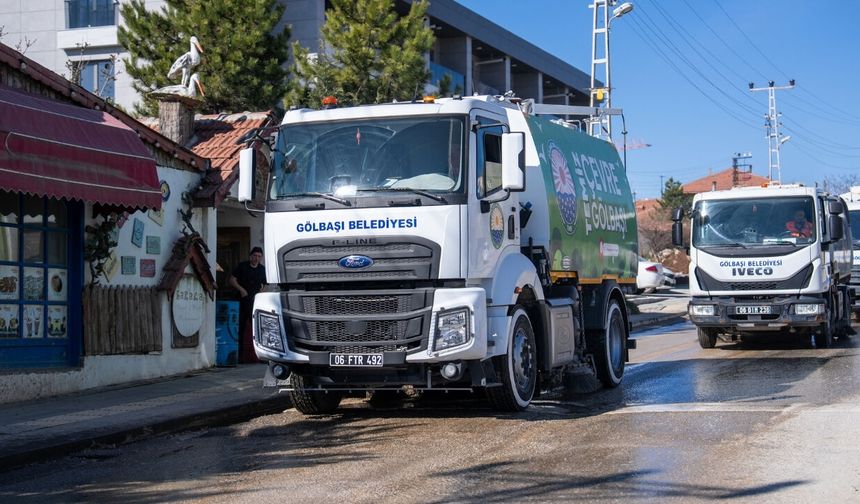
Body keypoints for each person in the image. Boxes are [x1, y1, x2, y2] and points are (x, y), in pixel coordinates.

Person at [228, 247, 267, 363]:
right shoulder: (242, 266)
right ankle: (238, 357)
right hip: (242, 301)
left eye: (259, 256)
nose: (256, 258)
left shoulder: (262, 269)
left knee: (257, 329)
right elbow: (232, 280)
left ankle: (261, 356)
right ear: (251, 256)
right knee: (240, 329)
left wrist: (261, 292)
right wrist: (241, 290)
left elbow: (265, 284)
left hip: (255, 303)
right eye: (255, 256)